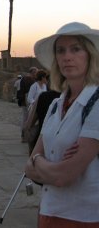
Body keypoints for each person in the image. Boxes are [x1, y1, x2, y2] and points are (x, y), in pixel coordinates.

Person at [25, 22, 99, 227]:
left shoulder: (96, 104)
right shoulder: (57, 105)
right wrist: (45, 163)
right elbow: (28, 169)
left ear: (90, 55)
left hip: (84, 217)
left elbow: (63, 177)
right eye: (61, 51)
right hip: (49, 211)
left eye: (76, 49)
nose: (67, 56)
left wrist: (38, 160)